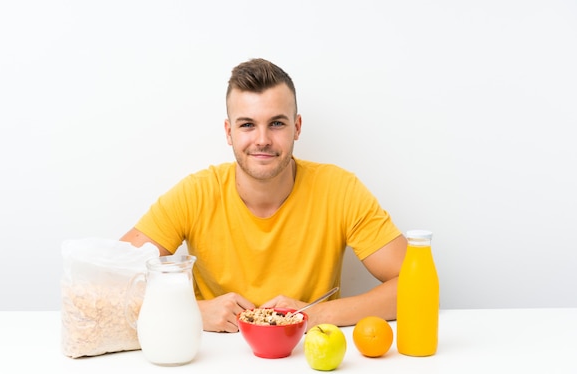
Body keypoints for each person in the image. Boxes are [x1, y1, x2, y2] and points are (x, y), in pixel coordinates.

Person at [121, 58, 407, 333]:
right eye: (247, 124)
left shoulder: (340, 190)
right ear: (228, 132)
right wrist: (193, 311)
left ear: (296, 128)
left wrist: (315, 314)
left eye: (277, 124)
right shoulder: (195, 194)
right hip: (212, 359)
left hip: (308, 361)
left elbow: (415, 283)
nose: (262, 140)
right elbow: (107, 281)